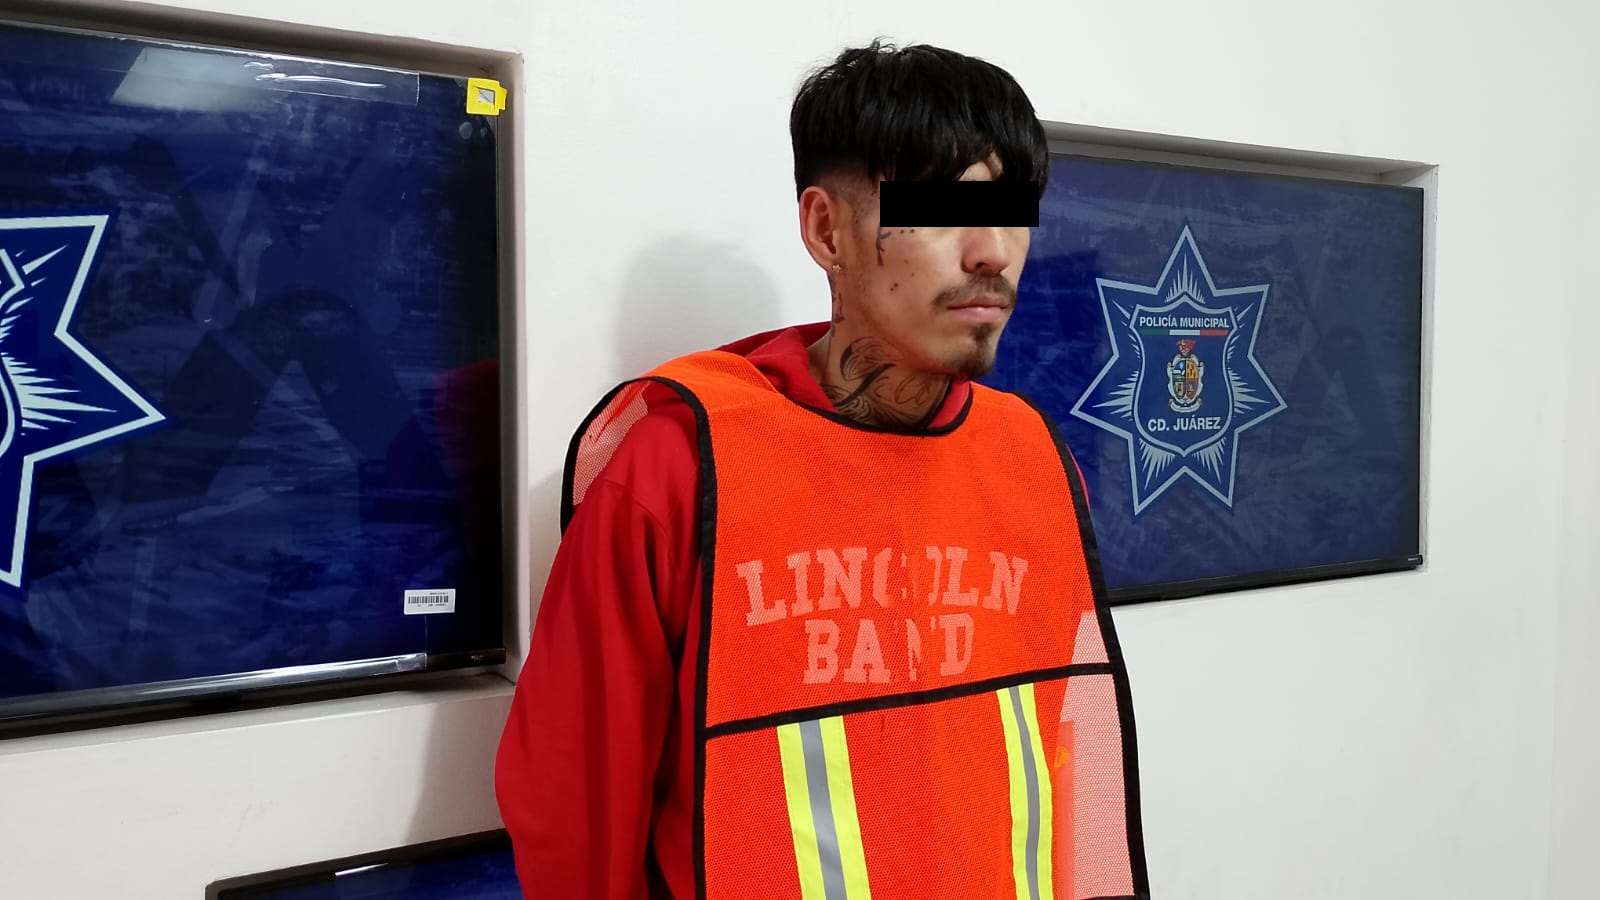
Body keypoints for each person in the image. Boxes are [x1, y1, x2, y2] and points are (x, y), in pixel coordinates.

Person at [496, 38, 1149, 900]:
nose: (992, 251)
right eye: (943, 211)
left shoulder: (1039, 465)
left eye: (1011, 213)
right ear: (825, 230)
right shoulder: (677, 472)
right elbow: (575, 812)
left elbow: (1058, 769)